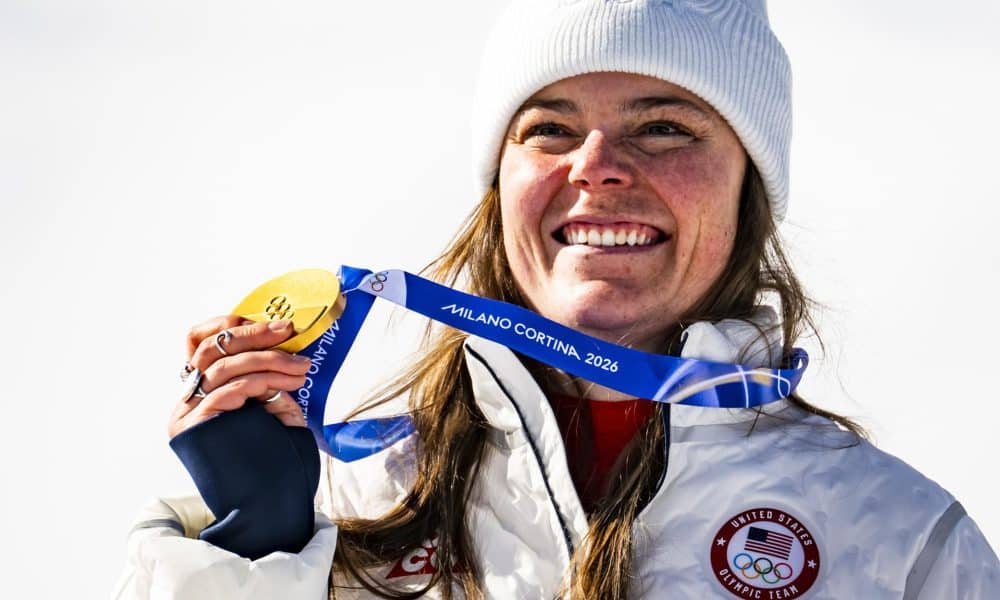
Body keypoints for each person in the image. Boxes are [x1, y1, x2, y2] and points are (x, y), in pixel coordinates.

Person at [115, 1, 1000, 598]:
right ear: (498, 184)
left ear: (749, 188)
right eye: (551, 129)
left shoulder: (902, 544)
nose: (597, 166)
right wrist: (253, 552)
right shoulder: (350, 505)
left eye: (665, 126)